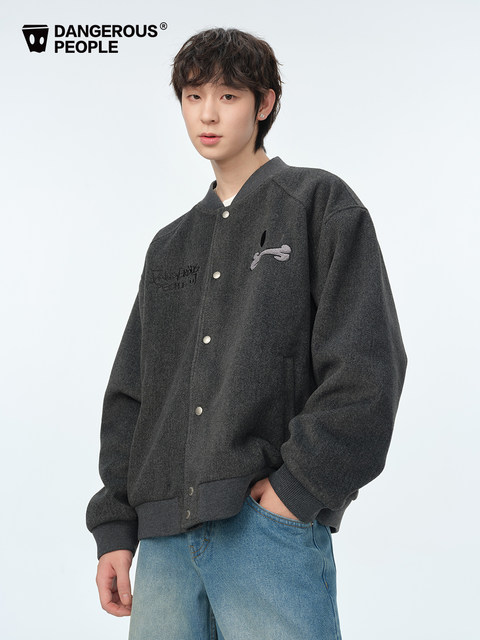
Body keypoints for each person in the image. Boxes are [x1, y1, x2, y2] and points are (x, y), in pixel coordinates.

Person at [86, 27, 408, 640]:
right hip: (164, 549)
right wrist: (116, 528)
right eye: (193, 96)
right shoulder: (169, 246)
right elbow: (132, 395)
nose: (207, 114)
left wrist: (294, 491)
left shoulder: (318, 204)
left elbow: (368, 367)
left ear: (264, 104)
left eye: (228, 96)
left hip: (266, 533)